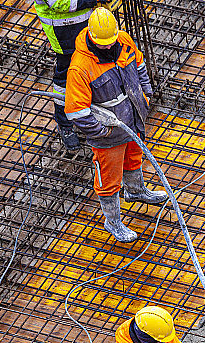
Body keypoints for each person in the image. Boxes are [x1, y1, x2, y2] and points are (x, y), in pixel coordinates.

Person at [65, 7, 167, 244]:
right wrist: (103, 132)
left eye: (111, 42)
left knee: (134, 158)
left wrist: (146, 94)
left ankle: (135, 191)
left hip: (133, 120)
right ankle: (112, 222)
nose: (108, 47)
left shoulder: (123, 40)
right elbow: (76, 111)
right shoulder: (80, 67)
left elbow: (139, 66)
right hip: (109, 135)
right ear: (91, 36)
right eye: (103, 44)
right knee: (109, 179)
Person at [33, 0, 97, 150]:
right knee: (65, 80)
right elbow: (61, 3)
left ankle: (93, 112)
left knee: (93, 69)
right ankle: (65, 125)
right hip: (62, 31)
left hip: (86, 22)